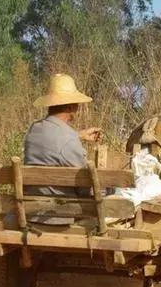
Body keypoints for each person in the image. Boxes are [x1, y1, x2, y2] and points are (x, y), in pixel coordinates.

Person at [23, 73, 102, 223]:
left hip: (32, 213)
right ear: (72, 106)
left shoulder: (33, 130)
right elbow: (84, 187)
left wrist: (79, 135)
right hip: (60, 217)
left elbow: (53, 143)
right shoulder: (69, 140)